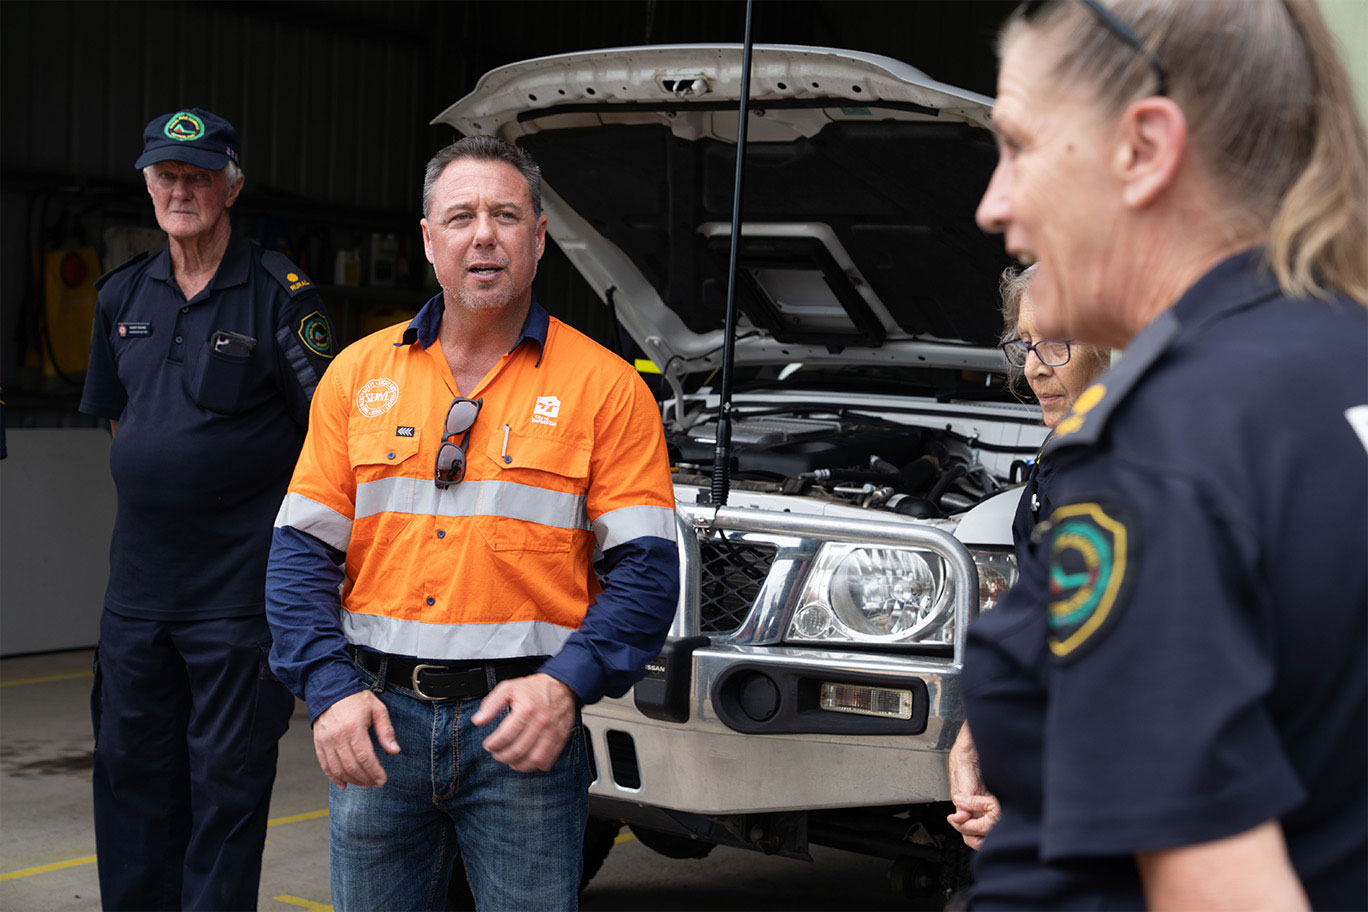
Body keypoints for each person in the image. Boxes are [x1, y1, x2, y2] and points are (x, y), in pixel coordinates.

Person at [961, 0, 1368, 908]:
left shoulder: (1163, 451)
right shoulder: (1341, 359)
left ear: (1144, 148)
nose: (997, 203)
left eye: (1019, 146)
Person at [264, 135, 679, 912]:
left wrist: (566, 687)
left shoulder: (608, 389)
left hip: (523, 736)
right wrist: (327, 688)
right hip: (374, 722)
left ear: (539, 237)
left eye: (505, 215)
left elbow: (650, 570)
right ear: (428, 240)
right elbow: (298, 555)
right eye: (460, 216)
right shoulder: (356, 376)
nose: (483, 234)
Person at [79, 107, 336, 910]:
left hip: (236, 602)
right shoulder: (121, 294)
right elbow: (123, 418)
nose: (180, 190)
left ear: (232, 185)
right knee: (129, 779)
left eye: (198, 176)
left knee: (223, 793)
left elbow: (332, 435)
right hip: (136, 601)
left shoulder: (280, 295)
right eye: (167, 176)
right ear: (148, 184)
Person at [946, 264, 1109, 851]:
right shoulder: (1064, 452)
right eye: (1026, 345)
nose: (1035, 366)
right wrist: (976, 741)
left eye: (1058, 345)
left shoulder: (1123, 477)